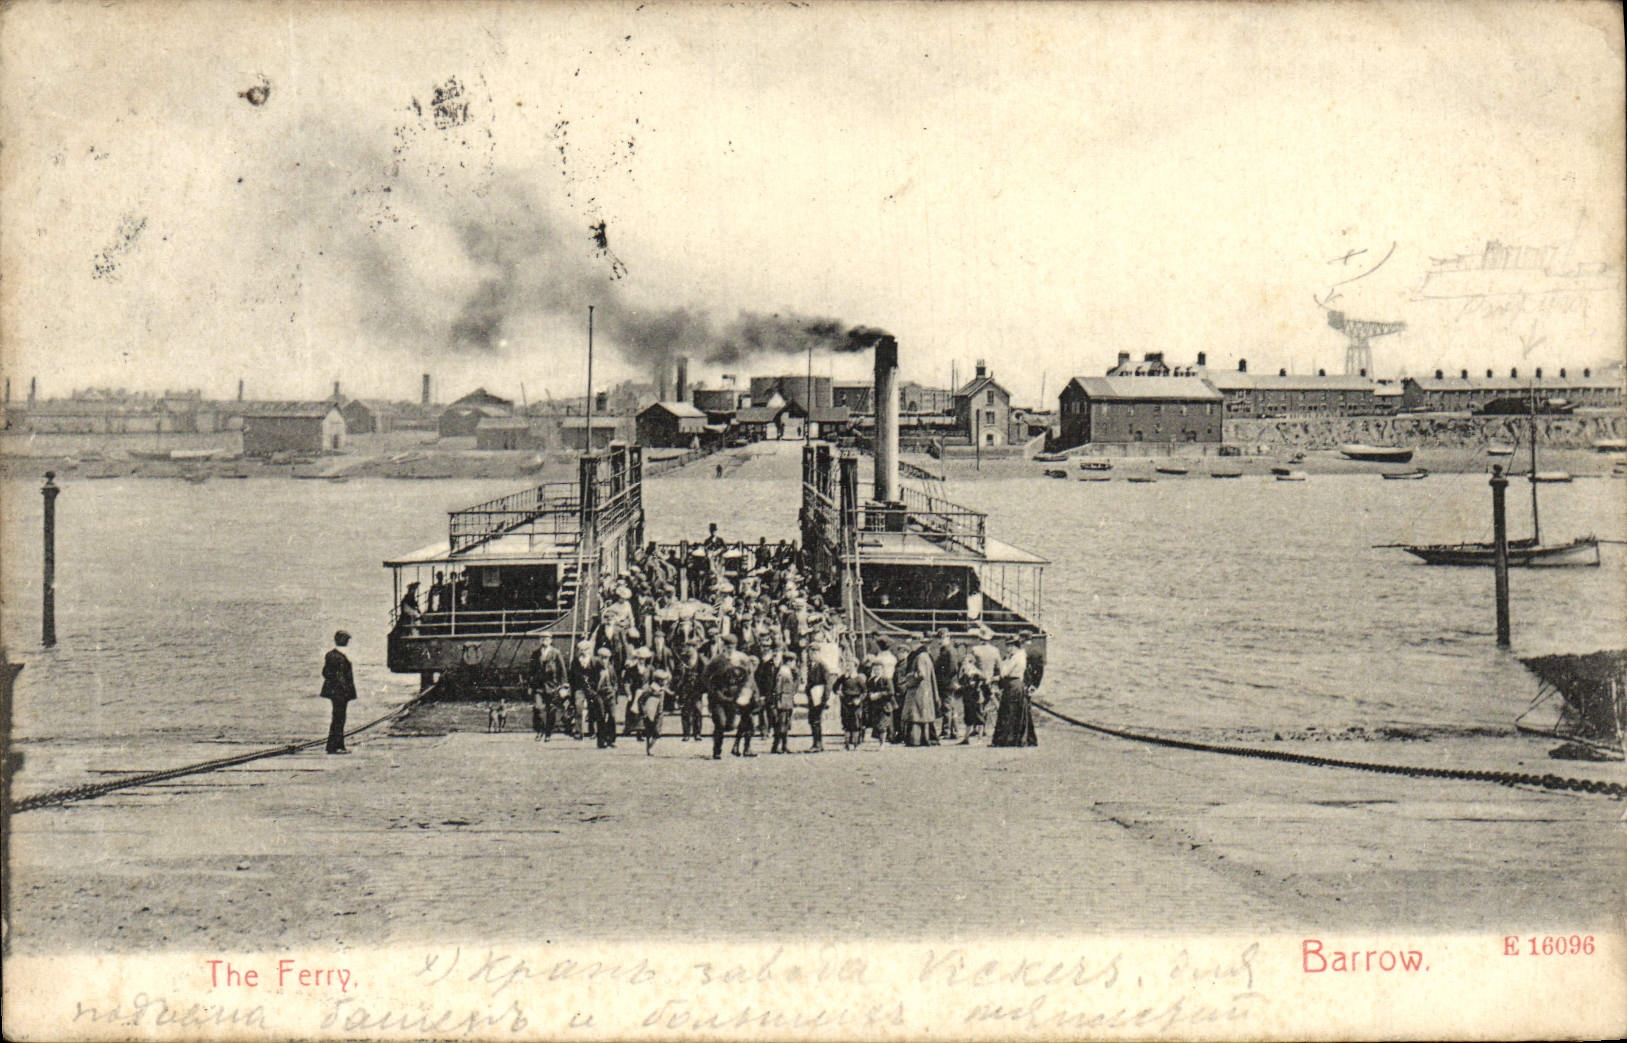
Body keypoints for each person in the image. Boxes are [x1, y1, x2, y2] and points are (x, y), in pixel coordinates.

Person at [990, 636, 1037, 747]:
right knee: (1015, 712)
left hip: (1013, 685)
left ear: (1015, 646)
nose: (1008, 648)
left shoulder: (1015, 657)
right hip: (1016, 684)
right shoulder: (1021, 655)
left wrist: (1003, 661)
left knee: (1009, 712)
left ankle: (1007, 739)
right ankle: (1015, 738)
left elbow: (1004, 672)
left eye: (1010, 646)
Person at [320, 630, 357, 755]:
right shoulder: (340, 656)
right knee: (339, 718)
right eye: (346, 640)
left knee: (337, 717)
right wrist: (344, 688)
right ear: (341, 640)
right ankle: (337, 746)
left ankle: (333, 745)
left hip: (334, 692)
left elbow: (325, 672)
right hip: (340, 692)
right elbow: (340, 676)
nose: (347, 642)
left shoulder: (331, 655)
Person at [529, 636, 569, 742]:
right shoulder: (536, 653)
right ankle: (539, 731)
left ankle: (548, 733)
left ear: (551, 641)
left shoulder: (556, 653)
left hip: (553, 686)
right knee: (538, 708)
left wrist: (564, 686)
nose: (544, 641)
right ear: (540, 640)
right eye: (542, 639)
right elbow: (531, 670)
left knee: (551, 710)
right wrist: (530, 685)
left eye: (547, 639)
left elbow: (562, 670)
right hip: (539, 686)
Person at [900, 641, 940, 747]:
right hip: (925, 690)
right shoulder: (926, 656)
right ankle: (925, 739)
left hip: (918, 690)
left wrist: (908, 681)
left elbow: (920, 674)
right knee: (922, 716)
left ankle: (915, 740)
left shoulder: (920, 657)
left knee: (915, 715)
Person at [931, 628, 962, 742]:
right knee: (951, 707)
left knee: (947, 707)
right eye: (939, 638)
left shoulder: (950, 651)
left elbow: (953, 668)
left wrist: (944, 680)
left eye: (942, 638)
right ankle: (954, 731)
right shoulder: (945, 650)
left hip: (947, 683)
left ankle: (946, 731)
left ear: (947, 637)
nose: (940, 640)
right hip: (947, 682)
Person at [589, 646, 619, 749]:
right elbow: (589, 684)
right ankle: (601, 740)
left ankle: (611, 739)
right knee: (601, 716)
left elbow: (615, 681)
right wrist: (593, 694)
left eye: (607, 658)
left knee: (612, 716)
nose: (605, 660)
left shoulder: (611, 668)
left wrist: (614, 690)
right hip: (599, 694)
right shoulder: (594, 669)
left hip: (610, 694)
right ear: (599, 658)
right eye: (603, 658)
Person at [639, 667, 671, 755]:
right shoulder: (650, 689)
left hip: (659, 713)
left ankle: (649, 748)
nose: (666, 682)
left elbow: (669, 693)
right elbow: (641, 700)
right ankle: (649, 749)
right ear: (659, 681)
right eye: (664, 680)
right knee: (649, 732)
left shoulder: (662, 688)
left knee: (657, 732)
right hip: (651, 713)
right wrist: (644, 711)